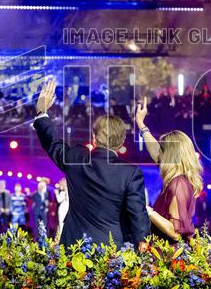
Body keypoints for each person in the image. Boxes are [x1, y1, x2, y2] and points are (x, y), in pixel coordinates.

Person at [33, 79, 149, 247]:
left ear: (94, 138)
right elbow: (138, 216)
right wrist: (142, 242)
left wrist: (41, 113)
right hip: (112, 254)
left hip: (74, 249)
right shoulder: (130, 173)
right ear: (122, 142)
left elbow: (53, 143)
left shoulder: (76, 159)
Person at [134, 98, 202, 242]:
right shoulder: (176, 180)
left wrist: (148, 211)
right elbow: (155, 151)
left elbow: (175, 232)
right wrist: (141, 124)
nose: (159, 154)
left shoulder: (178, 185)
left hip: (170, 257)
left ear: (170, 155)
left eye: (162, 150)